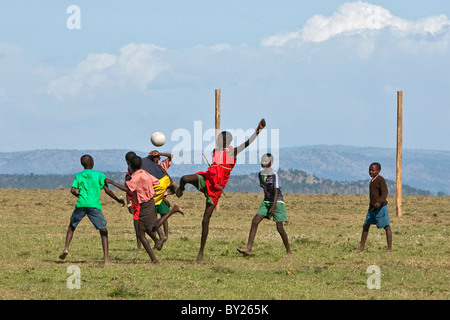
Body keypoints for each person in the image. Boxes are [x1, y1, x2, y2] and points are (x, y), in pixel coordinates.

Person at [176, 118, 266, 262]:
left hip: (216, 189)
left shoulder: (232, 153)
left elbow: (247, 143)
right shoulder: (214, 151)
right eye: (218, 139)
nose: (218, 142)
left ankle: (201, 253)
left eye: (222, 140)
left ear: (227, 143)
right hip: (206, 179)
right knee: (185, 178)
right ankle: (180, 190)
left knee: (205, 220)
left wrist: (258, 130)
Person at [106, 155, 184, 263]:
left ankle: (173, 210)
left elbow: (127, 188)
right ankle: (154, 259)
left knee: (153, 228)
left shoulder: (136, 177)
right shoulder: (145, 173)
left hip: (145, 204)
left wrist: (112, 182)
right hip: (149, 202)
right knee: (141, 232)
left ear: (131, 166)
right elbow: (156, 181)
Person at [59, 154, 125, 264]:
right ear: (92, 163)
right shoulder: (99, 175)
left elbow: (72, 190)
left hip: (81, 204)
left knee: (71, 226)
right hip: (94, 205)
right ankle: (106, 259)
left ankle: (66, 248)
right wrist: (117, 200)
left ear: (82, 164)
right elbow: (107, 191)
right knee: (103, 230)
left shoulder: (79, 175)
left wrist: (79, 196)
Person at [237, 153, 292, 258]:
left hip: (278, 202)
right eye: (262, 160)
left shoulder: (274, 174)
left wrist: (273, 206)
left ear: (271, 163)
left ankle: (289, 252)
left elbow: (276, 191)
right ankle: (248, 248)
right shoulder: (260, 174)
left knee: (280, 228)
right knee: (255, 221)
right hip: (266, 202)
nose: (263, 163)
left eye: (266, 161)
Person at [355, 162, 393, 253]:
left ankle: (389, 249)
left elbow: (385, 192)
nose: (371, 172)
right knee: (366, 226)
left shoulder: (380, 179)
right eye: (370, 170)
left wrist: (379, 202)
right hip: (372, 208)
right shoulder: (372, 181)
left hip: (380, 208)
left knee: (386, 227)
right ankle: (361, 248)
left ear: (378, 171)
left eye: (373, 170)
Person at [149, 150, 176, 240]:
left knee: (164, 216)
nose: (155, 159)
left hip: (163, 196)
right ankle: (157, 237)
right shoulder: (148, 168)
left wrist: (160, 153)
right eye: (153, 157)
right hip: (153, 195)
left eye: (157, 157)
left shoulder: (162, 165)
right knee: (154, 218)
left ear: (159, 158)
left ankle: (166, 236)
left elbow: (171, 156)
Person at [124, 151, 142, 252]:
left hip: (137, 202)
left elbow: (127, 190)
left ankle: (139, 247)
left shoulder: (130, 175)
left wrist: (129, 203)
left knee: (137, 225)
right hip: (143, 201)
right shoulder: (142, 173)